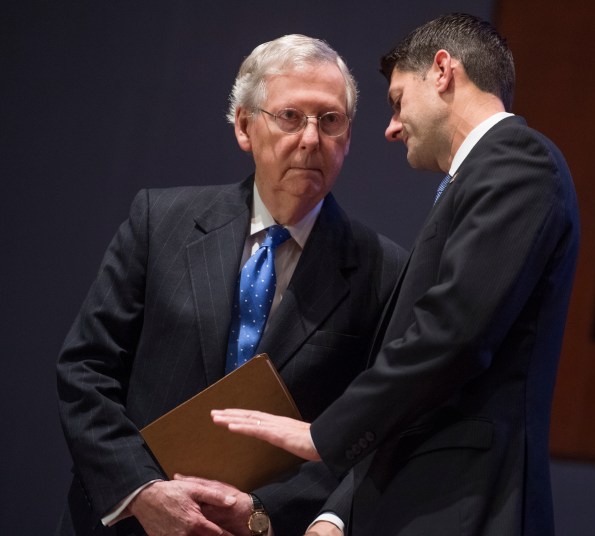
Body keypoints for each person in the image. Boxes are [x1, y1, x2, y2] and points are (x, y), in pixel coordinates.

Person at [212, 12, 580, 536]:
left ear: (442, 71)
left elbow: (451, 333)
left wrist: (324, 435)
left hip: (464, 504)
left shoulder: (517, 160)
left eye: (397, 100)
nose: (390, 127)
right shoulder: (482, 175)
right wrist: (340, 514)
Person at [56, 34, 406, 536]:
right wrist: (143, 491)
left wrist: (262, 511)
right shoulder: (161, 222)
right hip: (130, 520)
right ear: (245, 126)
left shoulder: (383, 270)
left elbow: (369, 434)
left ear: (348, 137)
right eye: (290, 116)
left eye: (330, 120)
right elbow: (84, 370)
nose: (311, 139)